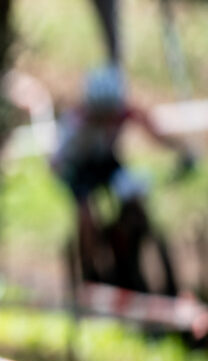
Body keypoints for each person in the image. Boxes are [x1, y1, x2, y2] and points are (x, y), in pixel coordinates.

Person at [50, 64, 195, 293]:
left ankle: (132, 256)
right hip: (78, 168)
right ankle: (90, 273)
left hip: (106, 162)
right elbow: (57, 160)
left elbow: (153, 131)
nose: (106, 120)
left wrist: (182, 150)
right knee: (86, 216)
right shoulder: (76, 121)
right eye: (101, 115)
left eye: (110, 113)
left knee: (135, 202)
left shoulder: (122, 112)